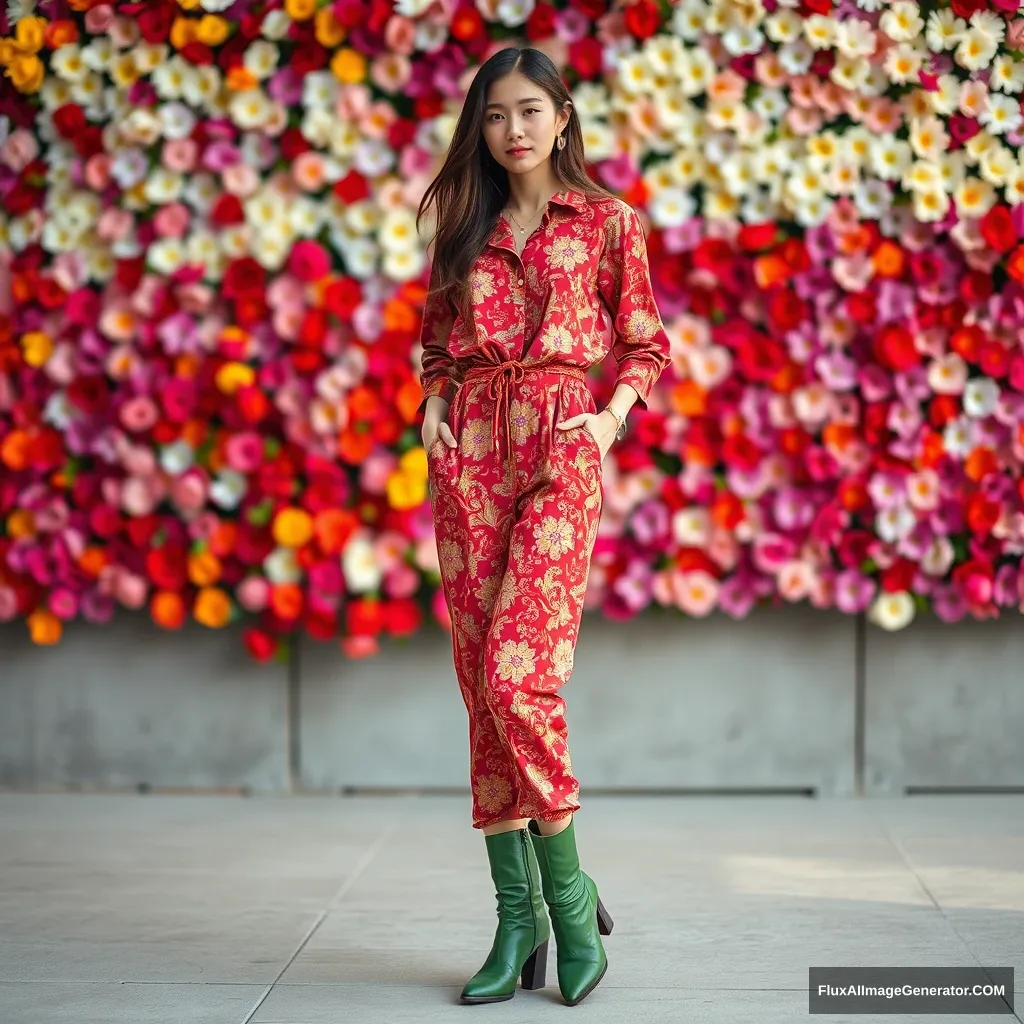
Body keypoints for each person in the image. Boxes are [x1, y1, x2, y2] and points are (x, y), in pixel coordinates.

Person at [414, 46, 671, 1006]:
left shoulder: (609, 222)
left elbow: (646, 340)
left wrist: (607, 422)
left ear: (562, 116)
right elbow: (436, 341)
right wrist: (435, 404)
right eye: (493, 116)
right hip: (471, 451)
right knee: (482, 682)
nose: (512, 131)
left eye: (529, 111)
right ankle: (514, 918)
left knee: (521, 674)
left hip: (562, 444)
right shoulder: (461, 222)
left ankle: (569, 901)